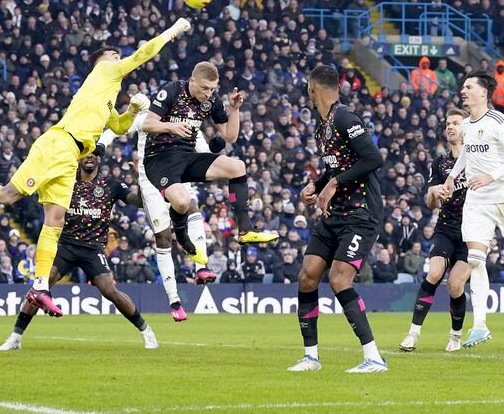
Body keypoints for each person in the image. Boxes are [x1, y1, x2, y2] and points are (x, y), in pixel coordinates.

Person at [0, 18, 193, 316]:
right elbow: (141, 55)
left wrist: (132, 111)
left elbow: (117, 126)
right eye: (113, 55)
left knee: (55, 219)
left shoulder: (106, 96)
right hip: (58, 144)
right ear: (102, 61)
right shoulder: (104, 71)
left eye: (117, 55)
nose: (118, 58)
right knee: (8, 195)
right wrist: (173, 31)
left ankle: (40, 286)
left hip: (71, 156)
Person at [0, 153, 157, 351]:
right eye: (85, 155)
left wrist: (140, 176)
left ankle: (146, 331)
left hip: (93, 248)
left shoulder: (111, 184)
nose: (89, 158)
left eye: (93, 155)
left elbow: (140, 201)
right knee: (40, 287)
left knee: (109, 290)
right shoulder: (66, 182)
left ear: (99, 159)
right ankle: (15, 337)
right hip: (65, 245)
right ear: (79, 159)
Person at [287, 65, 387, 373]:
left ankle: (373, 357)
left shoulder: (344, 117)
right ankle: (311, 357)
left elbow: (373, 158)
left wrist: (331, 184)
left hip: (360, 213)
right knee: (307, 276)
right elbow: (337, 167)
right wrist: (316, 185)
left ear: (313, 88)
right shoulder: (323, 126)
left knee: (339, 279)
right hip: (334, 214)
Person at [140, 62, 279, 273]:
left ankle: (245, 230)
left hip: (187, 156)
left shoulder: (211, 100)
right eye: (205, 88)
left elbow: (230, 136)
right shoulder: (171, 90)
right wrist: (171, 126)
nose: (209, 93)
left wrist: (234, 110)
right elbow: (148, 124)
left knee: (237, 166)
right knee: (182, 201)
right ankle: (182, 236)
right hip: (159, 159)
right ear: (192, 81)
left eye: (213, 89)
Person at [444, 71, 504, 347]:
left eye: (468, 87)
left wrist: (491, 176)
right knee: (475, 259)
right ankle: (480, 326)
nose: (463, 91)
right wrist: (453, 176)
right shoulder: (467, 125)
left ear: (484, 92)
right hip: (477, 200)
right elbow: (467, 152)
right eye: (463, 86)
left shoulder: (500, 121)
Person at [98, 118, 227, 323]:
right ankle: (174, 301)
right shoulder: (147, 116)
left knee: (192, 207)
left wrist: (211, 154)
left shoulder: (184, 115)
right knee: (164, 237)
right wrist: (102, 144)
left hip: (174, 173)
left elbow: (201, 146)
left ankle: (201, 267)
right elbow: (117, 127)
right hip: (149, 179)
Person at [399, 109, 471, 352]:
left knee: (455, 285)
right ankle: (413, 333)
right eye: (448, 123)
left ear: (466, 128)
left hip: (472, 232)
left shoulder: (477, 160)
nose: (450, 127)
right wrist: (433, 192)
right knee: (433, 274)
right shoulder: (439, 163)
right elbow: (430, 203)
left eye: (456, 123)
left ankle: (455, 335)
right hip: (446, 227)